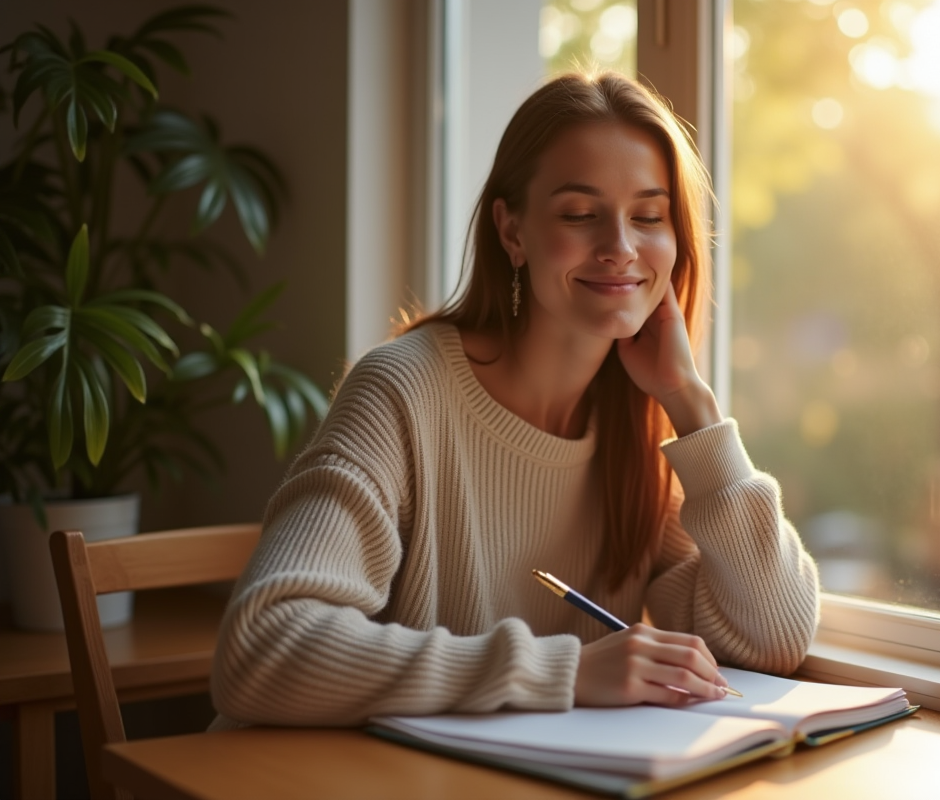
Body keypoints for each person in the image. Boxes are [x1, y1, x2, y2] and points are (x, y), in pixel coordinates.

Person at [210, 72, 819, 728]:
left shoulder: (641, 427)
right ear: (512, 231)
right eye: (581, 215)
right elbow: (261, 648)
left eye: (648, 216)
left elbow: (772, 638)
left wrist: (690, 401)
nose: (620, 248)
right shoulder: (403, 390)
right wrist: (566, 671)